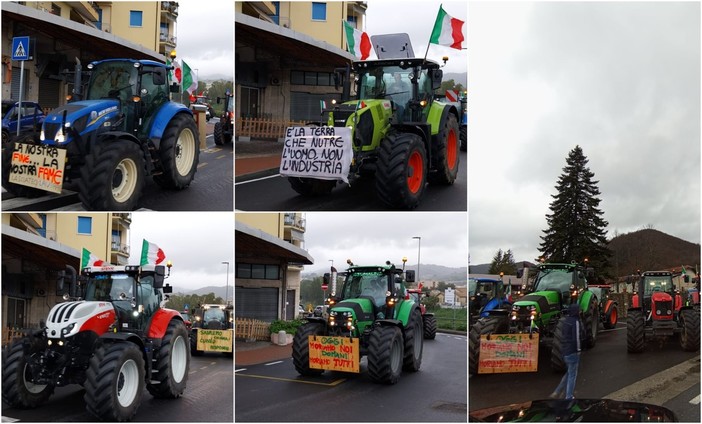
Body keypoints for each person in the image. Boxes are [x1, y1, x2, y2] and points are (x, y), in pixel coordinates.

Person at [550, 303, 582, 400]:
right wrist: (579, 349)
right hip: (573, 351)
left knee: (568, 372)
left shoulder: (565, 321)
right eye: (579, 310)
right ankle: (569, 397)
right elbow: (576, 337)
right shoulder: (575, 322)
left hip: (565, 351)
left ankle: (557, 391)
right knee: (573, 374)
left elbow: (563, 335)